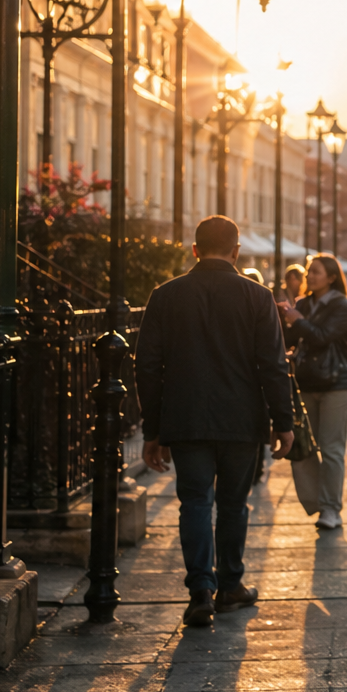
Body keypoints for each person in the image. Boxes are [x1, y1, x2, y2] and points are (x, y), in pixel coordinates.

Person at [135, 215, 294, 627]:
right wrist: (283, 420)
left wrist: (152, 430)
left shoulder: (165, 296)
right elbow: (273, 366)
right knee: (232, 505)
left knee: (194, 502)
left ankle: (199, 590)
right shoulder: (257, 297)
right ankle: (231, 585)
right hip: (241, 418)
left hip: (185, 418)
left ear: (194, 249)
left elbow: (147, 366)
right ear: (237, 251)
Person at [278, 254, 347, 529]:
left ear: (332, 277)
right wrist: (283, 320)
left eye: (316, 272)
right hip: (307, 382)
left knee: (332, 447)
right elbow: (293, 340)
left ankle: (330, 509)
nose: (310, 276)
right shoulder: (302, 304)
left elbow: (323, 336)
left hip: (336, 383)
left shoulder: (342, 305)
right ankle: (316, 502)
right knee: (306, 446)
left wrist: (297, 320)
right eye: (309, 271)